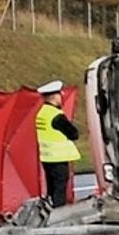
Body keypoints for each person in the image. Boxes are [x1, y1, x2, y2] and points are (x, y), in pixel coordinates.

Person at [34, 80, 81, 208]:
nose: (61, 97)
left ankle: (50, 212)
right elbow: (74, 134)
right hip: (58, 157)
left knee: (51, 187)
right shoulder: (56, 115)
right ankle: (59, 215)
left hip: (46, 157)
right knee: (60, 188)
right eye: (60, 95)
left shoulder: (42, 113)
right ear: (54, 97)